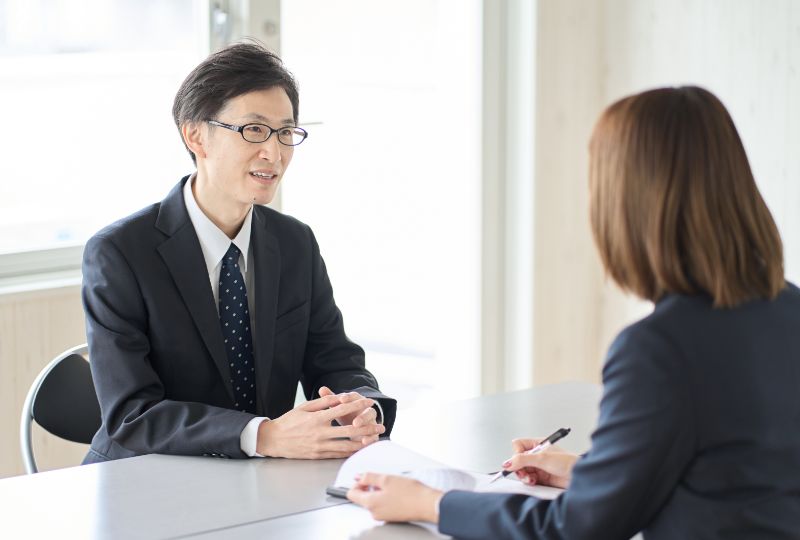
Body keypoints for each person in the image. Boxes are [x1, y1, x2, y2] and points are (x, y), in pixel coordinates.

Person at [347, 86, 800, 538]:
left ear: (626, 203)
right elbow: (733, 472)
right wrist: (592, 473)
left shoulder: (659, 349)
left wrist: (433, 503)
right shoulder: (789, 306)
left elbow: (575, 530)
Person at [81, 42, 396, 464]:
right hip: (145, 481)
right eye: (254, 130)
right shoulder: (119, 253)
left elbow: (335, 360)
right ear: (195, 135)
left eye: (285, 132)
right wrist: (263, 436)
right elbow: (131, 414)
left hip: (262, 481)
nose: (275, 152)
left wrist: (363, 408)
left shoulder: (294, 243)